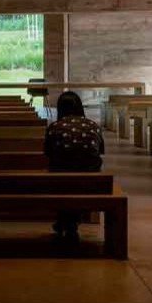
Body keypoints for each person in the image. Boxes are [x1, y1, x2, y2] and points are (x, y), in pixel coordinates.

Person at [43, 91, 105, 242]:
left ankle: (66, 222)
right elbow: (100, 151)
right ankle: (71, 223)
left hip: (60, 181)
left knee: (62, 176)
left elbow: (48, 153)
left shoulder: (54, 127)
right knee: (80, 175)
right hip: (90, 181)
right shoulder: (93, 126)